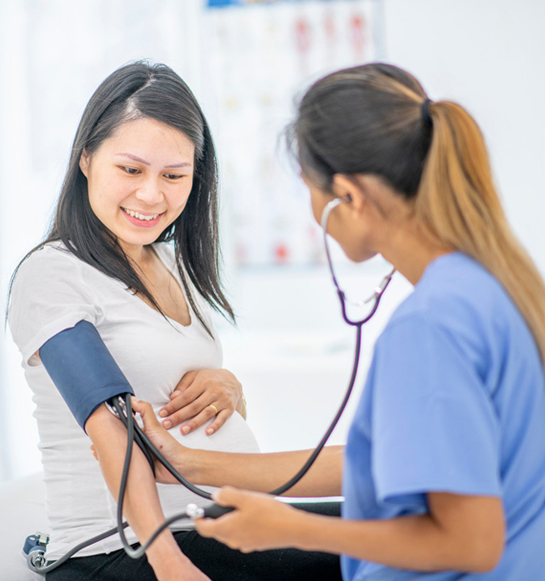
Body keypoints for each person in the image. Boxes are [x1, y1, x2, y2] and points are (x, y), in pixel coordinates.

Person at [130, 63, 545, 580]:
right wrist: (193, 464)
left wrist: (288, 528)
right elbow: (391, 465)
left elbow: (469, 542)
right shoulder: (488, 290)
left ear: (347, 197)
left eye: (309, 189)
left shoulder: (430, 328)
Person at [7, 62, 342, 581]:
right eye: (131, 170)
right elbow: (106, 419)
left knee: (396, 527)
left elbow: (175, 395)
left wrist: (230, 389)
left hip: (217, 520)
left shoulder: (174, 265)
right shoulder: (53, 273)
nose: (151, 195)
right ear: (86, 158)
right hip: (128, 547)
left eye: (173, 176)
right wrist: (168, 562)